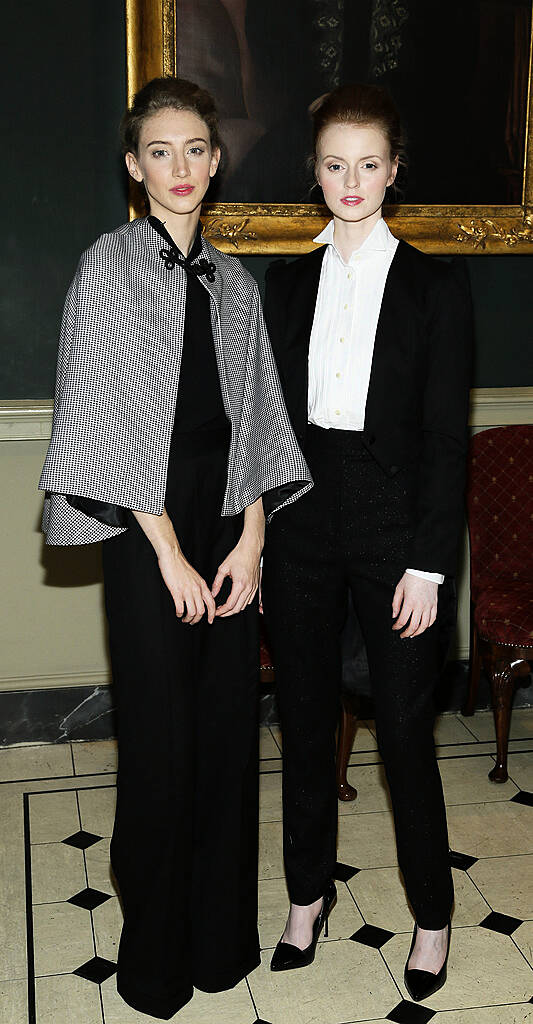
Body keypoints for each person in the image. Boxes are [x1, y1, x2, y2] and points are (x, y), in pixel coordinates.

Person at [39, 76, 311, 1020]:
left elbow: (263, 429)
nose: (181, 167)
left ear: (216, 157)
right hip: (141, 526)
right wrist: (168, 556)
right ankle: (154, 961)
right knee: (161, 743)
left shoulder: (234, 282)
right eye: (160, 150)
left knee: (229, 735)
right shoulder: (104, 267)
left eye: (196, 147)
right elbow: (103, 422)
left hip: (226, 522)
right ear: (132, 165)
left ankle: (220, 941)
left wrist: (251, 544)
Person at [261, 82, 472, 1002]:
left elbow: (443, 439)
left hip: (396, 536)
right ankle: (305, 900)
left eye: (368, 164)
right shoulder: (288, 280)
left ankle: (431, 916)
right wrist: (258, 542)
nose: (351, 180)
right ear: (314, 172)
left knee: (403, 742)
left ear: (394, 170)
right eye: (333, 164)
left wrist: (428, 565)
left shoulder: (434, 283)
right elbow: (267, 430)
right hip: (303, 523)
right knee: (303, 729)